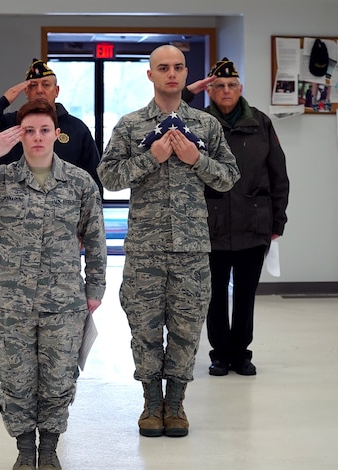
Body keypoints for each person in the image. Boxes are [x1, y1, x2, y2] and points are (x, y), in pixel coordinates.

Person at [0, 99, 106, 470]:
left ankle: (48, 448)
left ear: (56, 134)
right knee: (16, 378)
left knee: (60, 378)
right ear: (18, 135)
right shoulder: (1, 178)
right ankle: (23, 450)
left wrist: (94, 287)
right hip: (10, 300)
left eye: (43, 130)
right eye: (28, 131)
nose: (36, 138)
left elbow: (96, 239)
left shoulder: (79, 182)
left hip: (63, 299)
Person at [97, 45, 240, 438]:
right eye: (163, 68)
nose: (171, 74)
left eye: (178, 67)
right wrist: (151, 157)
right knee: (144, 327)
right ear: (150, 75)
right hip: (145, 247)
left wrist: (197, 159)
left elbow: (229, 177)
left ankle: (175, 404)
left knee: (186, 327)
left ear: (185, 72)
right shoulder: (130, 126)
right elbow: (108, 177)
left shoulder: (207, 126)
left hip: (192, 249)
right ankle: (149, 403)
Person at [200, 58, 290, 377]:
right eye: (219, 85)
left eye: (232, 85)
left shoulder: (261, 123)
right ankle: (219, 354)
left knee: (245, 293)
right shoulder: (198, 123)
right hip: (211, 226)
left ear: (241, 89)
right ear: (209, 90)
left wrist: (278, 221)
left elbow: (278, 174)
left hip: (254, 224)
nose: (226, 90)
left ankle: (241, 353)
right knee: (213, 294)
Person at [0, 58, 104, 195]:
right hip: (15, 209)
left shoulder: (77, 128)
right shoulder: (9, 124)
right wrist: (3, 102)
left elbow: (94, 180)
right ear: (26, 92)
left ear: (56, 90)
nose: (39, 90)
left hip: (63, 212)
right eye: (33, 86)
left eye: (45, 85)